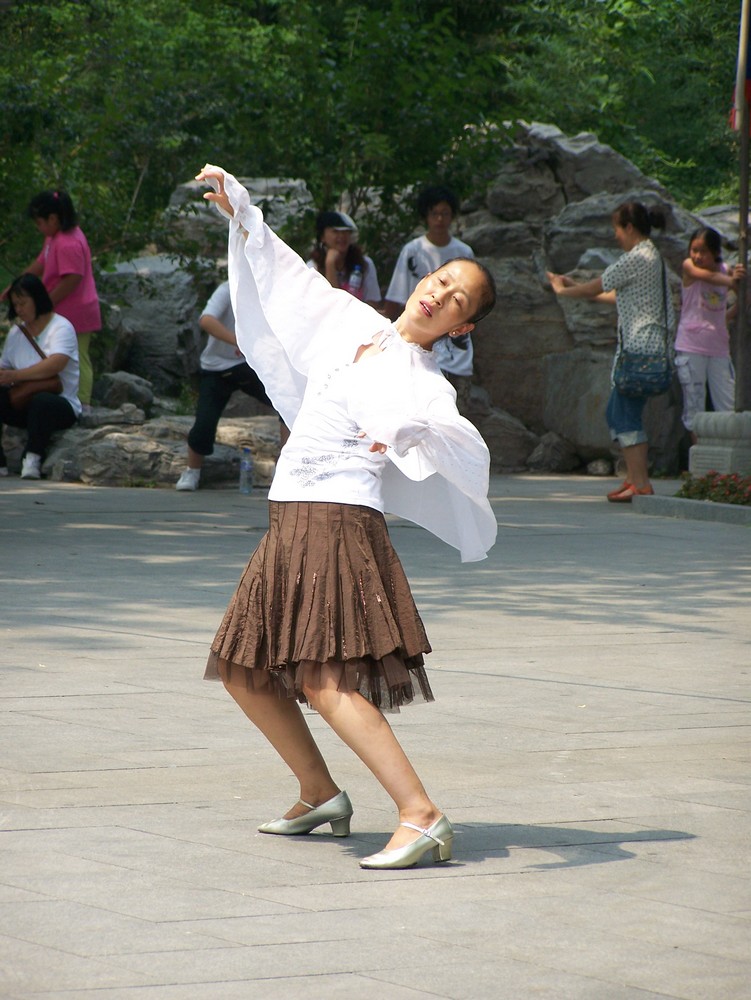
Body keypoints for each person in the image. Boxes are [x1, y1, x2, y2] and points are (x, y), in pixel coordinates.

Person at [196, 163, 497, 870]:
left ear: (462, 324)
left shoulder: (421, 381)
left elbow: (460, 443)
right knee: (244, 669)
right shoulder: (356, 324)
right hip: (291, 516)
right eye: (439, 280)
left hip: (337, 523)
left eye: (456, 299)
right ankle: (318, 791)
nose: (439, 294)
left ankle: (420, 815)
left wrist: (417, 435)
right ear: (421, 280)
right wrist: (244, 213)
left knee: (323, 679)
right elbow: (293, 283)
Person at [547, 200, 675, 503]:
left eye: (617, 229)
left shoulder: (637, 257)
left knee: (623, 412)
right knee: (621, 411)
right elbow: (616, 294)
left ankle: (640, 482)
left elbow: (598, 285)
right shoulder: (651, 257)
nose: (616, 235)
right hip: (647, 348)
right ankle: (634, 479)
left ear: (629, 228)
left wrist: (564, 291)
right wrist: (574, 285)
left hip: (639, 350)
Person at [175, 280, 285, 491]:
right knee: (204, 423)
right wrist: (238, 341)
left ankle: (285, 466)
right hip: (218, 367)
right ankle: (192, 471)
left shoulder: (271, 289)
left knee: (288, 404)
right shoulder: (228, 288)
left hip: (252, 365)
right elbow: (206, 320)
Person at [3, 191, 100, 409]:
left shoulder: (68, 243)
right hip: (57, 309)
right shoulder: (53, 238)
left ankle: (82, 402)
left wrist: (43, 302)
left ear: (53, 219)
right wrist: (17, 284)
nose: (38, 228)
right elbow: (41, 263)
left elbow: (72, 279)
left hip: (77, 310)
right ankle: (53, 394)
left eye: (39, 222)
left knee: (78, 356)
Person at [384, 185, 476, 413]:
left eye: (444, 213)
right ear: (426, 216)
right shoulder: (413, 251)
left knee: (455, 411)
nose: (439, 219)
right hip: (417, 345)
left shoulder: (465, 254)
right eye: (434, 213)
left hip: (456, 352)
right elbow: (397, 298)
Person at [0, 274, 81, 479]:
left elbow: (56, 363)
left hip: (59, 404)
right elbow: (4, 366)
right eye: (15, 304)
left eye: (23, 303)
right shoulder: (16, 333)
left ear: (37, 299)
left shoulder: (61, 327)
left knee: (42, 402)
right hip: (22, 402)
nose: (19, 309)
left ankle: (32, 458)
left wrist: (17, 375)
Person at [674, 227, 744, 444]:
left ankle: (729, 460)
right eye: (694, 250)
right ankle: (700, 460)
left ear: (715, 252)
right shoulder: (689, 267)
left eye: (703, 251)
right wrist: (731, 281)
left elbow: (742, 296)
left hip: (719, 348)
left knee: (728, 403)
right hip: (691, 346)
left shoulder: (725, 270)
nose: (697, 256)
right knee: (694, 405)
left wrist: (729, 313)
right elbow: (705, 276)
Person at [307, 210, 382, 308]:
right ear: (322, 237)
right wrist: (330, 264)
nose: (342, 236)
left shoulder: (365, 264)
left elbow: (373, 303)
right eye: (335, 231)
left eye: (346, 232)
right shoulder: (312, 267)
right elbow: (331, 305)